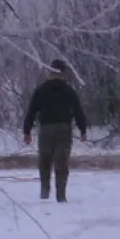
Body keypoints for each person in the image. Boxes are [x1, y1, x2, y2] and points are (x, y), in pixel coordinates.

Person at [22, 59, 88, 202]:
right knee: (61, 162)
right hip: (64, 130)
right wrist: (83, 129)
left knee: (44, 161)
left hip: (45, 130)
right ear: (64, 73)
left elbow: (31, 111)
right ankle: (61, 195)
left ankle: (45, 191)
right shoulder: (69, 91)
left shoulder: (41, 90)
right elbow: (78, 111)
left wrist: (27, 131)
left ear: (50, 72)